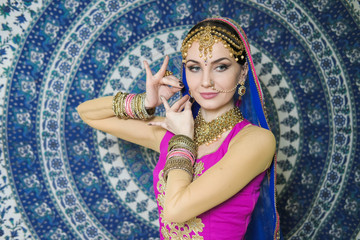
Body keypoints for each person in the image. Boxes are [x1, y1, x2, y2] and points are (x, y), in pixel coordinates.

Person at [77, 17, 281, 239]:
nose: (205, 82)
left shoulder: (256, 140)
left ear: (242, 73)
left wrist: (184, 138)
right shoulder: (172, 132)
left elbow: (175, 210)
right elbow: (87, 113)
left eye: (220, 67)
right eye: (194, 68)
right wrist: (145, 102)